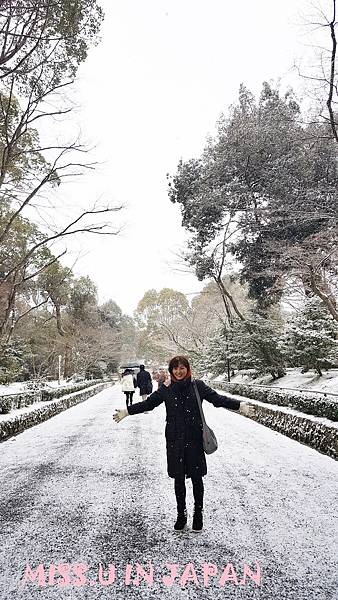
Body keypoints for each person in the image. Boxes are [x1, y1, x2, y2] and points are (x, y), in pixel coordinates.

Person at [113, 355, 255, 533]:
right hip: (174, 439)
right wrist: (128, 411)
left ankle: (198, 514)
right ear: (171, 370)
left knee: (197, 478)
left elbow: (217, 400)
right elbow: (149, 404)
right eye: (175, 368)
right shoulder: (166, 389)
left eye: (182, 368)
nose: (178, 372)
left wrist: (238, 405)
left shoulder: (198, 386)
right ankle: (181, 514)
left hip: (194, 439)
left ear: (188, 369)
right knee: (178, 478)